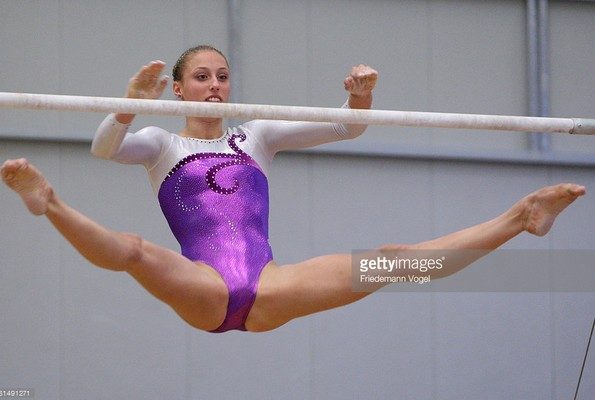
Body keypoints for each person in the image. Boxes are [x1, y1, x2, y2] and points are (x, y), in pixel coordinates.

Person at [1, 45, 586, 333]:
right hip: (202, 283)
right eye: (200, 78)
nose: (214, 86)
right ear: (177, 90)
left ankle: (521, 216)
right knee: (131, 249)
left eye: (222, 76)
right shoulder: (159, 143)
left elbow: (348, 127)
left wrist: (359, 96)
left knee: (390, 265)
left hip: (271, 284)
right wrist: (128, 104)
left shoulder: (256, 134)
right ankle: (47, 202)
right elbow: (105, 148)